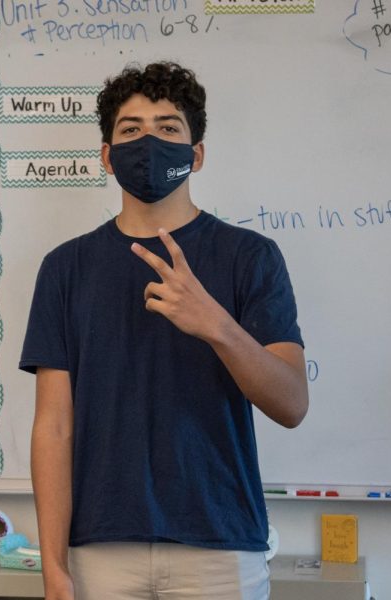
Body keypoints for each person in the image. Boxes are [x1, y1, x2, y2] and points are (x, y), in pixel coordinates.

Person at [19, 61, 309, 600]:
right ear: (107, 156)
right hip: (99, 547)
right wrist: (53, 566)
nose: (148, 142)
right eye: (130, 130)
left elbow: (291, 404)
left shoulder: (251, 258)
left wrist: (216, 324)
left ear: (196, 154)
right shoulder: (66, 268)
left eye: (168, 128)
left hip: (222, 544)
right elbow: (54, 426)